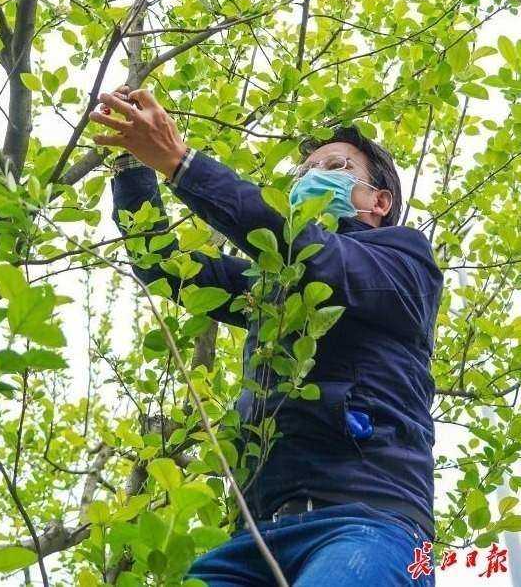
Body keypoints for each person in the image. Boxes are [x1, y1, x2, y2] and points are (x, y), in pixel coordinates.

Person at [89, 86, 443, 586]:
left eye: (335, 167)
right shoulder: (272, 285)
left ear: (378, 201)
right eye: (302, 172)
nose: (310, 179)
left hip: (372, 522)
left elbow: (312, 252)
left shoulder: (402, 261)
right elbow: (166, 268)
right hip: (256, 537)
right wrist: (132, 169)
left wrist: (180, 162)